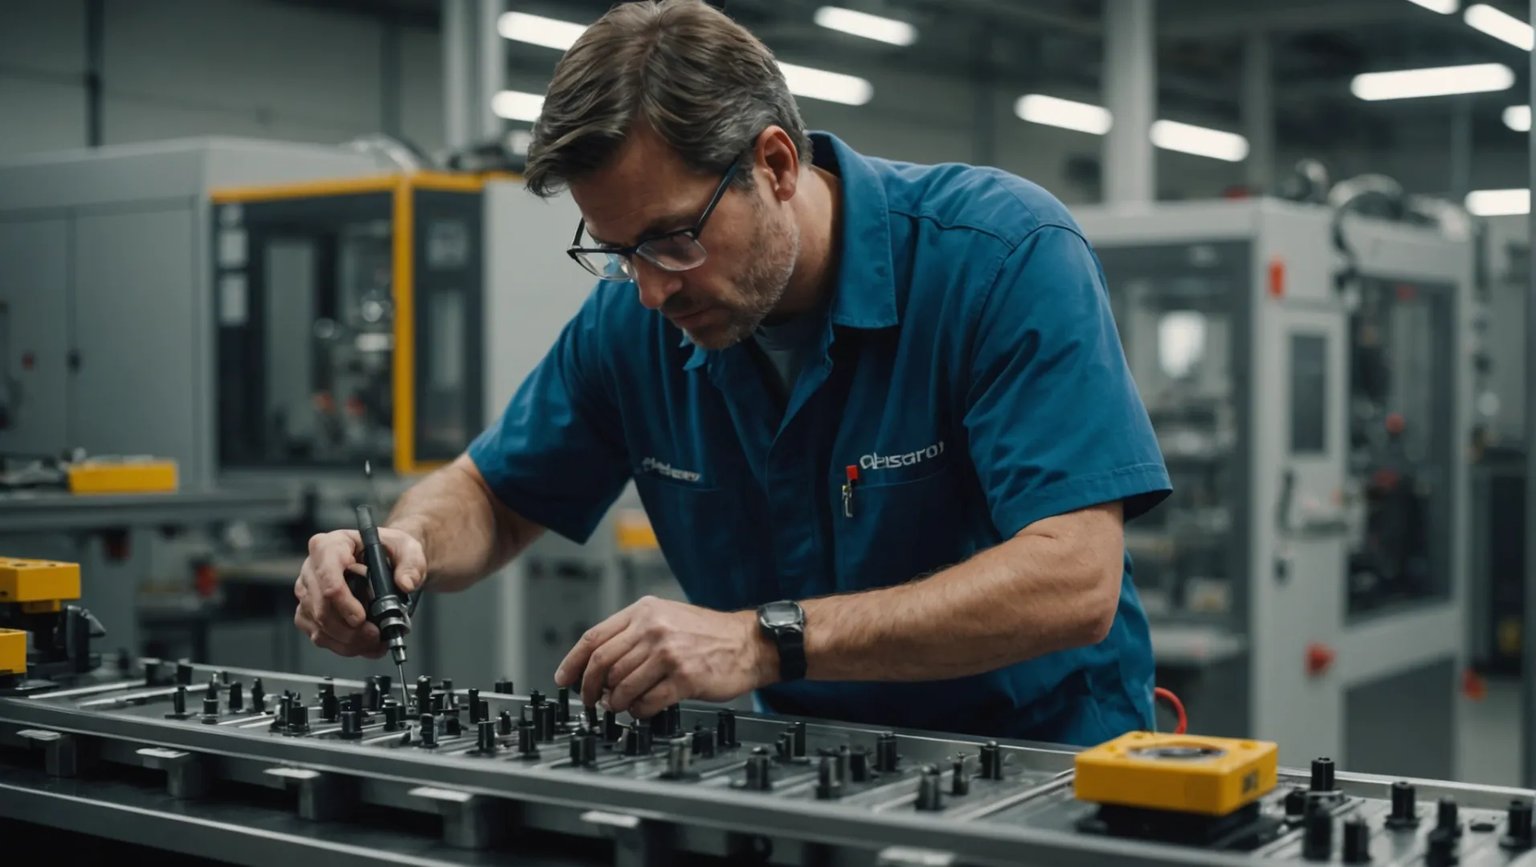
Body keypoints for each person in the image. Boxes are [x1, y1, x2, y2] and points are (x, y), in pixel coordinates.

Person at [292, 0, 1170, 744]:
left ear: (775, 164)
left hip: (1044, 761)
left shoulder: (1000, 257)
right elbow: (494, 493)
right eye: (619, 251)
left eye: (673, 239)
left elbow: (1073, 579)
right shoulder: (631, 323)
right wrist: (409, 546)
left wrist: (763, 640)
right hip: (804, 764)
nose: (651, 289)